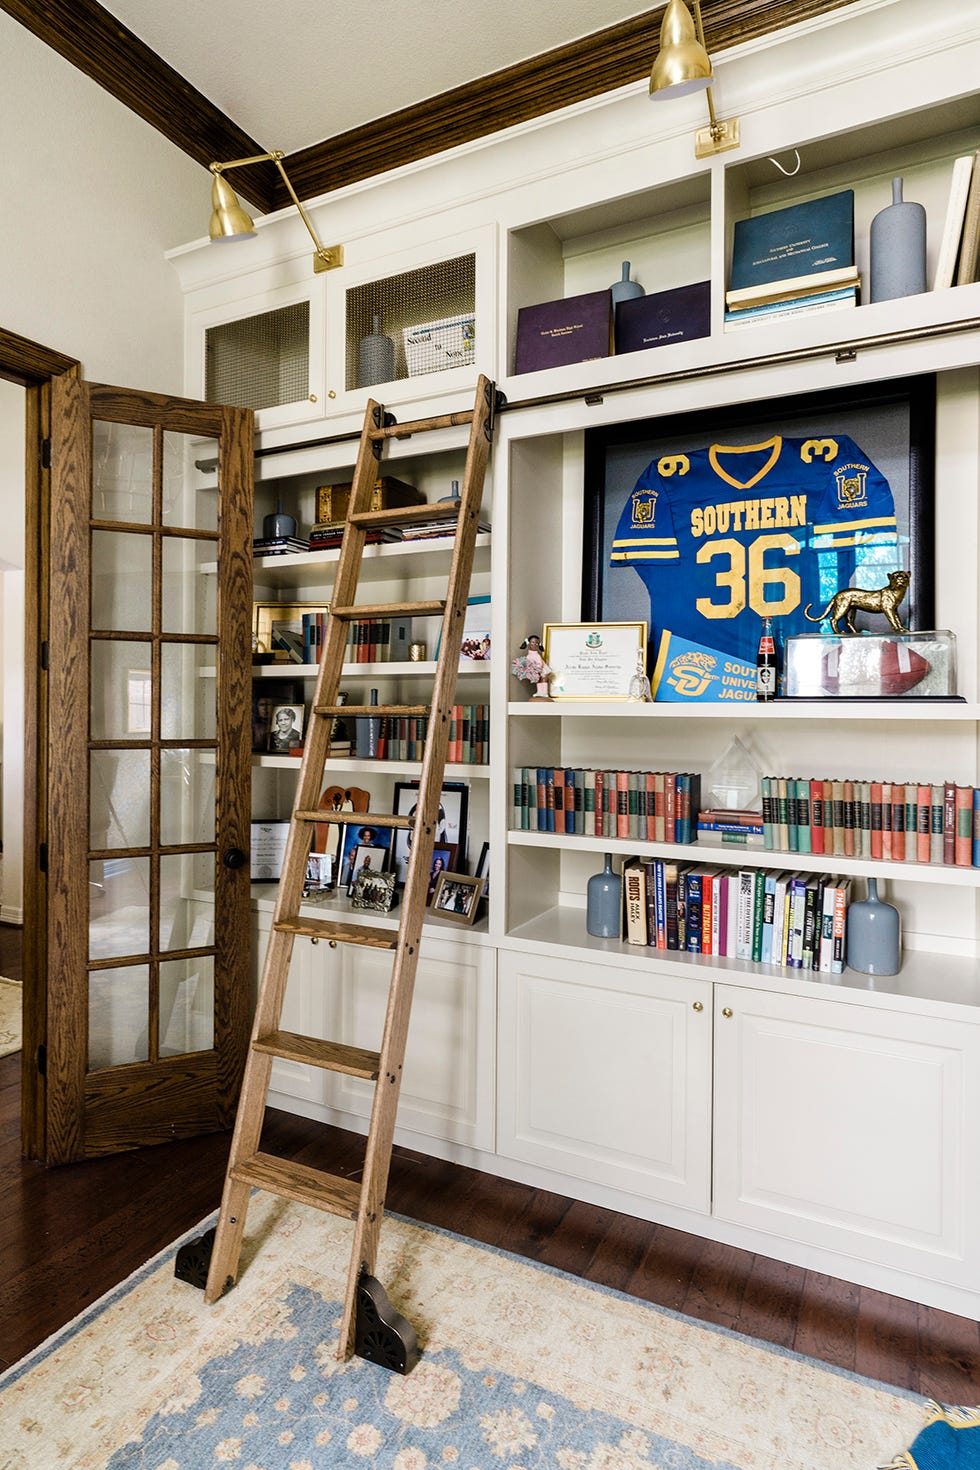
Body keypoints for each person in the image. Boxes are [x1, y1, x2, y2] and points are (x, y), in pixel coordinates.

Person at [511, 633, 552, 699]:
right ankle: (540, 692)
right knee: (538, 681)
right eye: (532, 642)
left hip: (542, 670)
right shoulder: (529, 655)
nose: (534, 645)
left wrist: (537, 670)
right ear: (528, 643)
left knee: (543, 679)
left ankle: (544, 692)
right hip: (535, 670)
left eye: (536, 643)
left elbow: (540, 663)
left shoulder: (536, 655)